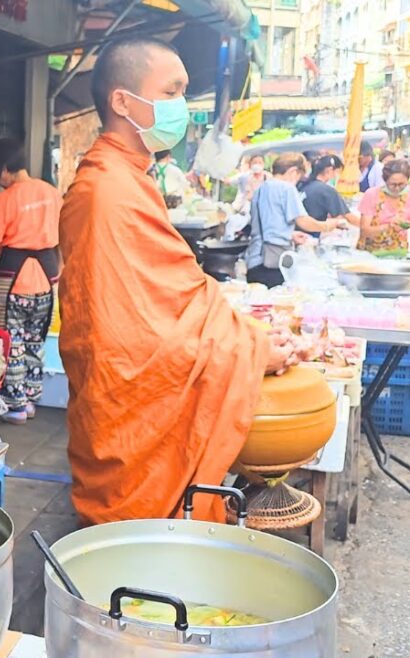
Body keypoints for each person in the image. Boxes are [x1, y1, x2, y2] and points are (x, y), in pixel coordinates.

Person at [57, 37, 298, 526]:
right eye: (171, 92)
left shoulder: (131, 177)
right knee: (131, 554)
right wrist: (247, 350)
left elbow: (173, 292)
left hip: (130, 377)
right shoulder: (106, 188)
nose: (182, 108)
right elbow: (132, 333)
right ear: (123, 102)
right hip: (122, 391)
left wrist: (245, 337)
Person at [0, 138, 62, 424]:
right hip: (47, 281)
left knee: (12, 343)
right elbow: (66, 238)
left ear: (6, 169)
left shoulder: (4, 201)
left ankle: (15, 404)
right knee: (36, 339)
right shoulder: (53, 194)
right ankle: (31, 399)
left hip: (14, 282)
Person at [245, 153, 344, 287]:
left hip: (254, 261)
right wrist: (328, 225)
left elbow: (266, 224)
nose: (297, 181)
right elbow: (303, 221)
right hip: (273, 262)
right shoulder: (286, 188)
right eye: (299, 177)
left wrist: (290, 235)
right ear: (293, 171)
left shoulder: (261, 189)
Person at [358, 157, 410, 256]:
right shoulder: (372, 195)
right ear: (385, 181)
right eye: (393, 184)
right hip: (371, 254)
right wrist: (388, 227)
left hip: (399, 252)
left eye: (402, 184)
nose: (397, 188)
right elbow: (364, 230)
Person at [299, 154, 358, 238]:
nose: (337, 176)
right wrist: (365, 226)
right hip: (312, 235)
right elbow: (347, 216)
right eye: (338, 172)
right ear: (330, 170)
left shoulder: (303, 186)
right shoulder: (327, 190)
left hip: (297, 232)